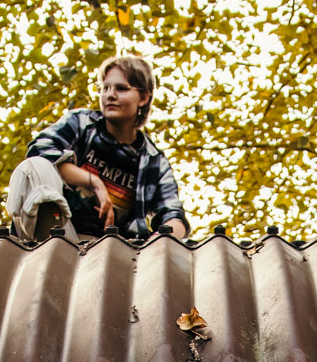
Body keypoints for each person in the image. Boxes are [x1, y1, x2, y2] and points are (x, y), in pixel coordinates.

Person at [14, 55, 191, 243]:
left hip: (112, 250)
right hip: (62, 235)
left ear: (144, 97)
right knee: (34, 166)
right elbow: (40, 150)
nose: (110, 95)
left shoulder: (153, 159)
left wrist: (159, 242)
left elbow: (173, 215)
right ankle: (51, 248)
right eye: (105, 88)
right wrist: (94, 182)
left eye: (121, 88)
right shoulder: (81, 124)